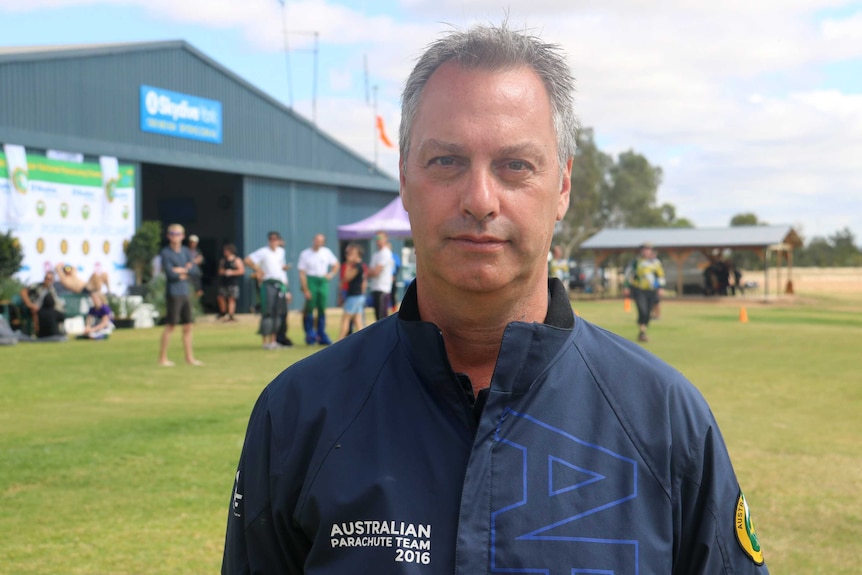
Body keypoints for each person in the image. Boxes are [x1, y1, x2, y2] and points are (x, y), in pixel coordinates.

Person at [222, 23, 769, 574]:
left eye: (515, 165)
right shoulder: (299, 412)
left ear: (562, 187)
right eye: (446, 161)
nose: (480, 200)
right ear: (405, 178)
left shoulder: (664, 418)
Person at [157, 223, 203, 366]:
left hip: (185, 291)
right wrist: (184, 270)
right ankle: (162, 358)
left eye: (177, 234)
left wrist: (181, 270)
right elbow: (170, 274)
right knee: (170, 325)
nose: (174, 236)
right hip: (174, 293)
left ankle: (189, 357)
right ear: (168, 236)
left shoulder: (185, 251)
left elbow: (195, 270)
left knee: (188, 325)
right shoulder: (166, 252)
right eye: (171, 233)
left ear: (182, 236)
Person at [244, 231, 292, 350]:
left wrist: (287, 289)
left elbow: (281, 269)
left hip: (279, 284)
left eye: (275, 239)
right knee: (268, 312)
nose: (273, 241)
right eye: (271, 239)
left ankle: (274, 341)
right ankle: (265, 341)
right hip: (268, 284)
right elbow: (247, 260)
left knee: (277, 313)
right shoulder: (263, 252)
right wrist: (258, 270)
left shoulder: (281, 252)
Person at [297, 233, 339, 345]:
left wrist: (330, 275)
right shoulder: (305, 254)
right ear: (313, 240)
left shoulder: (326, 252)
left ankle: (321, 334)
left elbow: (336, 264)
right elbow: (301, 273)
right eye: (316, 240)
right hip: (311, 280)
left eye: (321, 241)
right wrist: (305, 289)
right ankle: (310, 335)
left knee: (322, 308)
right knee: (310, 308)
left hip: (322, 281)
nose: (318, 242)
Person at [623, 242, 666, 343]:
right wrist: (626, 286)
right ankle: (642, 333)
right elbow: (629, 274)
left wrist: (661, 287)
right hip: (639, 289)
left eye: (648, 249)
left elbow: (660, 275)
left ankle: (642, 332)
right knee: (642, 310)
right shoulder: (636, 262)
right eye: (644, 249)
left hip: (651, 290)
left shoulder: (656, 263)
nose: (646, 251)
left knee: (648, 313)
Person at [337, 242, 367, 340]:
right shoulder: (360, 266)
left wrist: (348, 264)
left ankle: (339, 342)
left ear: (358, 254)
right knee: (358, 322)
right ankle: (363, 342)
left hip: (354, 296)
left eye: (352, 253)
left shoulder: (357, 266)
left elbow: (346, 278)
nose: (349, 255)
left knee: (346, 319)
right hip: (358, 296)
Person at [19, 270, 62, 335]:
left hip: (49, 310)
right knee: (35, 312)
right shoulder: (37, 286)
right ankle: (37, 333)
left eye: (50, 279)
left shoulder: (53, 289)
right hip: (35, 308)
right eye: (46, 279)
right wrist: (30, 304)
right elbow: (23, 292)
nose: (48, 281)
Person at [366, 230, 395, 321]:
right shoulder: (376, 255)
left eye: (379, 238)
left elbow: (375, 272)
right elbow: (370, 272)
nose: (377, 240)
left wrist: (371, 272)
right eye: (376, 238)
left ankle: (387, 335)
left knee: (382, 316)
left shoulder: (385, 253)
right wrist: (371, 272)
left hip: (383, 288)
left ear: (386, 239)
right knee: (378, 316)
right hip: (376, 287)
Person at [217, 243, 245, 322]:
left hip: (233, 282)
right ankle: (223, 313)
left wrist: (232, 272)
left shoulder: (236, 260)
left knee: (231, 299)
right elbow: (220, 271)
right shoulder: (223, 260)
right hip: (224, 282)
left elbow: (242, 271)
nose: (224, 252)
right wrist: (225, 272)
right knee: (221, 297)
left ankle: (230, 315)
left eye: (226, 250)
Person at [187, 234, 205, 298]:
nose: (193, 244)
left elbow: (200, 260)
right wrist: (195, 260)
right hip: (188, 274)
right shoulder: (185, 251)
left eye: (194, 242)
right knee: (189, 290)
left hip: (196, 273)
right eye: (191, 242)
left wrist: (191, 261)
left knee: (198, 291)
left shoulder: (198, 251)